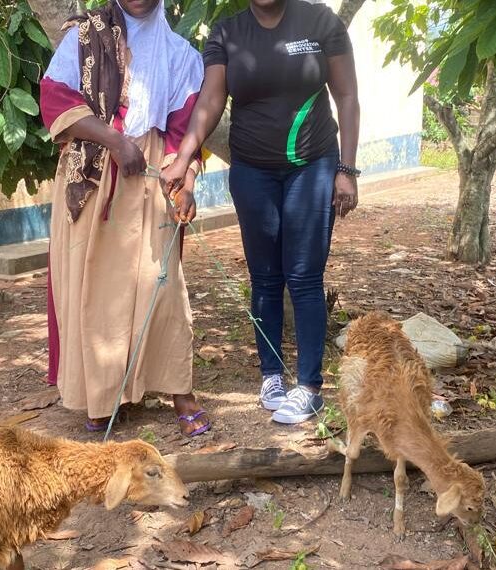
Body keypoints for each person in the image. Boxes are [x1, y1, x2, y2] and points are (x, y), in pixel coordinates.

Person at [161, 0, 360, 425]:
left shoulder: (320, 22)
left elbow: (346, 95)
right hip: (252, 171)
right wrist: (183, 157)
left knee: (304, 275)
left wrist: (346, 169)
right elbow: (211, 101)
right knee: (264, 277)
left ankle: (308, 387)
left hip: (313, 165)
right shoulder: (227, 33)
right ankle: (271, 375)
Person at [39, 0, 211, 436]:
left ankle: (177, 388)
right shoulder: (84, 37)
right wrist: (114, 139)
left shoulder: (180, 55)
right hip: (94, 177)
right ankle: (101, 393)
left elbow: (185, 133)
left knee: (162, 281)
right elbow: (56, 100)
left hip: (153, 175)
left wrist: (186, 181)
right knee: (94, 286)